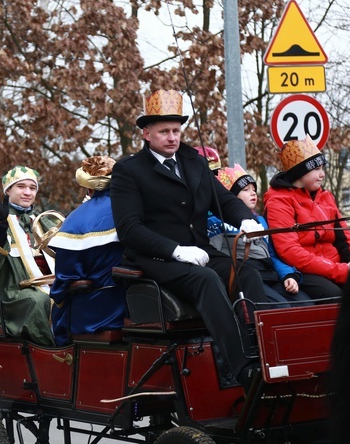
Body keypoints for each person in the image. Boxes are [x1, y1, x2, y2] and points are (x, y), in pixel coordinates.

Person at [110, 89, 267, 391]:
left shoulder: (193, 162)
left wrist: (246, 219)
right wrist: (176, 250)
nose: (172, 137)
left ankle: (264, 351)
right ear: (146, 133)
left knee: (247, 271)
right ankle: (243, 369)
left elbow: (223, 200)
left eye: (176, 131)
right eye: (164, 131)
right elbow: (129, 229)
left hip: (202, 253)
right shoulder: (129, 171)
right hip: (156, 259)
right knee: (207, 280)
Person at [0, 165, 57, 346]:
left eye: (32, 187)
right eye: (21, 187)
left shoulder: (43, 222)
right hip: (13, 296)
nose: (28, 192)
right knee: (41, 300)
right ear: (8, 190)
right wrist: (0, 226)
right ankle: (55, 353)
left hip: (51, 287)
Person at [264, 136, 350, 299]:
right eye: (316, 169)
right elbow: (290, 252)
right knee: (334, 295)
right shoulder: (278, 201)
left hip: (335, 265)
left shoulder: (326, 196)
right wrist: (338, 270)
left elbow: (344, 237)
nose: (322, 174)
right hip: (302, 270)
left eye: (323, 168)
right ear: (300, 172)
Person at [48, 156, 126, 346]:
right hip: (140, 302)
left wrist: (56, 295)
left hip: (99, 311)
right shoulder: (133, 209)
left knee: (57, 307)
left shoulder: (76, 221)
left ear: (88, 188)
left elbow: (67, 278)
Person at [210, 164, 310, 306]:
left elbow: (272, 254)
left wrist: (289, 275)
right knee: (281, 309)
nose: (253, 193)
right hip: (248, 276)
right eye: (246, 190)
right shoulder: (216, 223)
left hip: (271, 275)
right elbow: (215, 257)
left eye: (254, 189)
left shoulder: (261, 221)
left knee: (306, 305)